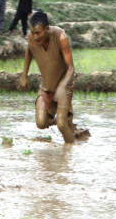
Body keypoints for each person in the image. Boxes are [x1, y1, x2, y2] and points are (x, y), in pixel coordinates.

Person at [19, 10, 76, 143]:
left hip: (64, 84)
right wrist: (24, 75)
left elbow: (71, 68)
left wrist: (62, 87)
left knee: (61, 125)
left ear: (47, 29)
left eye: (38, 32)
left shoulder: (60, 37)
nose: (36, 36)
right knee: (40, 122)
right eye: (33, 33)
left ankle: (70, 151)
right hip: (46, 86)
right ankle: (67, 121)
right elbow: (29, 51)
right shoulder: (32, 37)